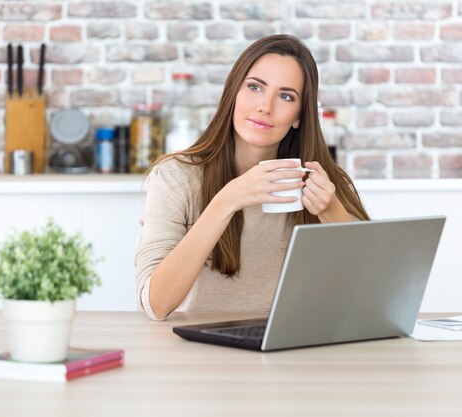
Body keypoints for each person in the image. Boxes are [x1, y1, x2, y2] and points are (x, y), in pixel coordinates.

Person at [135, 34, 370, 320]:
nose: (265, 106)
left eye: (286, 96)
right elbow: (156, 304)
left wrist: (332, 213)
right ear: (233, 92)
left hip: (298, 350)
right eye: (255, 87)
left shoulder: (327, 183)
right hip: (202, 352)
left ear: (299, 115)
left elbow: (374, 292)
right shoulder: (176, 177)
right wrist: (227, 200)